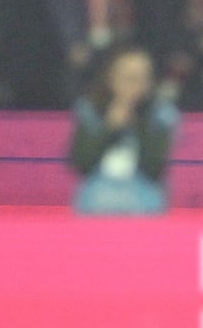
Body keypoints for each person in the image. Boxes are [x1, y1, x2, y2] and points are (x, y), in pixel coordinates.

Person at [69, 43, 179, 215]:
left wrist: (137, 122)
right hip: (94, 207)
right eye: (130, 78)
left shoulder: (161, 115)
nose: (138, 85)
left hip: (145, 209)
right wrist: (109, 128)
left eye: (144, 78)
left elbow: (154, 167)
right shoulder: (90, 111)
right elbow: (81, 163)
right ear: (111, 79)